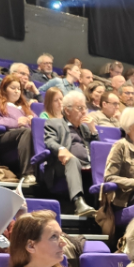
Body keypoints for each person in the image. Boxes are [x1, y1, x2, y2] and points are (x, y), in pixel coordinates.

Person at [36, 88, 97, 216]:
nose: (84, 112)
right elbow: (50, 141)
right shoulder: (55, 123)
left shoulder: (85, 128)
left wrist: (93, 131)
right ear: (67, 110)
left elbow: (97, 148)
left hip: (88, 165)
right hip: (62, 165)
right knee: (72, 158)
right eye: (79, 108)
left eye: (85, 108)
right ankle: (79, 202)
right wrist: (61, 149)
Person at [0, 72, 37, 181]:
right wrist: (16, 123)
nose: (17, 91)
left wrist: (33, 121)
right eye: (13, 88)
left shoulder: (24, 107)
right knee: (26, 132)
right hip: (4, 139)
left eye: (19, 89)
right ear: (4, 90)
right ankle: (26, 173)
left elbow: (38, 122)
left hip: (24, 137)